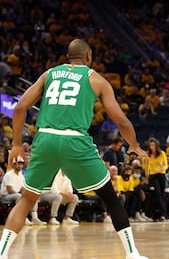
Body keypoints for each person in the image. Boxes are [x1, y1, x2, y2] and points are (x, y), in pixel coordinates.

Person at [0, 39, 148, 259]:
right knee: (110, 197)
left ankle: (2, 253)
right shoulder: (96, 79)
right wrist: (134, 145)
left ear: (68, 56)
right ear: (88, 57)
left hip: (45, 139)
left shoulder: (49, 74)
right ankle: (132, 253)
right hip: (74, 141)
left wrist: (16, 145)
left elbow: (20, 107)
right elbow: (122, 122)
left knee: (26, 201)